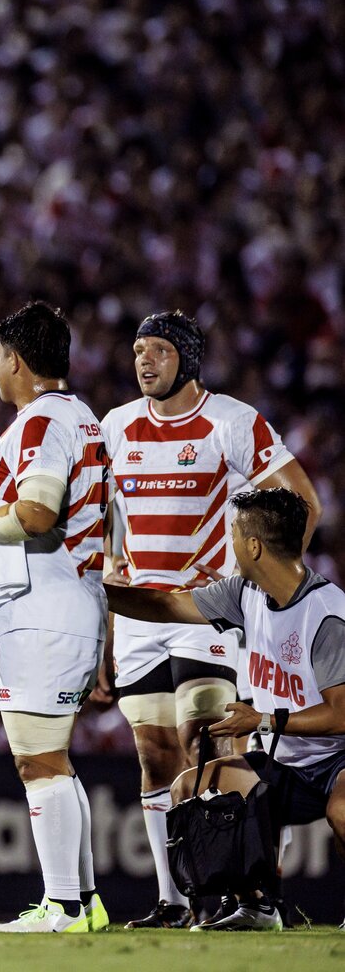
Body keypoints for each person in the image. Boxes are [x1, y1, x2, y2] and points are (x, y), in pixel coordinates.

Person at [99, 312, 320, 928]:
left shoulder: (232, 422)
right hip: (141, 615)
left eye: (159, 350)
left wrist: (267, 586)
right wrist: (107, 622)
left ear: (189, 359)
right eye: (138, 350)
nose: (145, 361)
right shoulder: (116, 426)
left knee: (213, 743)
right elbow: (110, 519)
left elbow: (304, 503)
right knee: (154, 754)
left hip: (206, 613)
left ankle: (250, 895)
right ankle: (175, 901)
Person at [104, 488, 344, 932]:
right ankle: (256, 906)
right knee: (192, 787)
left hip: (337, 760)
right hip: (286, 763)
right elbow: (165, 604)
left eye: (232, 534)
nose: (229, 543)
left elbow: (341, 717)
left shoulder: (327, 615)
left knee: (343, 811)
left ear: (254, 546)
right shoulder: (244, 592)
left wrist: (264, 720)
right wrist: (96, 593)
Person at [0, 302, 109, 933]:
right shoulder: (82, 416)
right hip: (73, 600)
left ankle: (62, 905)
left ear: (17, 361)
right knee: (53, 757)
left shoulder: (42, 420)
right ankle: (85, 900)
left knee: (37, 761)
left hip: (46, 605)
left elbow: (36, 513)